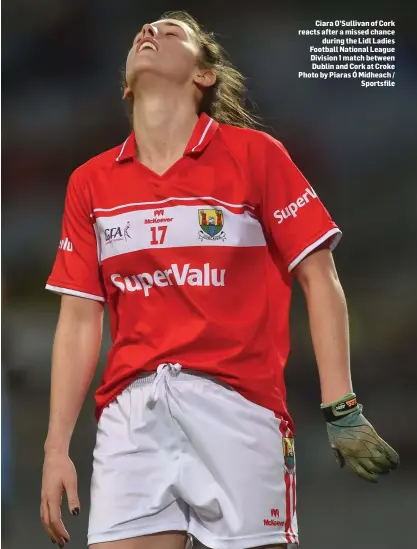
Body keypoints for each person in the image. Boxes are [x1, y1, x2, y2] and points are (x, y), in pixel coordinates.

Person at [40, 10, 399, 549]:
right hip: (130, 420)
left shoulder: (257, 156)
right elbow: (78, 319)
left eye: (171, 32)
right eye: (145, 31)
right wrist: (55, 447)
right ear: (125, 86)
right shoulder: (89, 183)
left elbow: (320, 278)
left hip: (239, 409)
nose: (149, 33)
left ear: (203, 75)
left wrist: (341, 405)